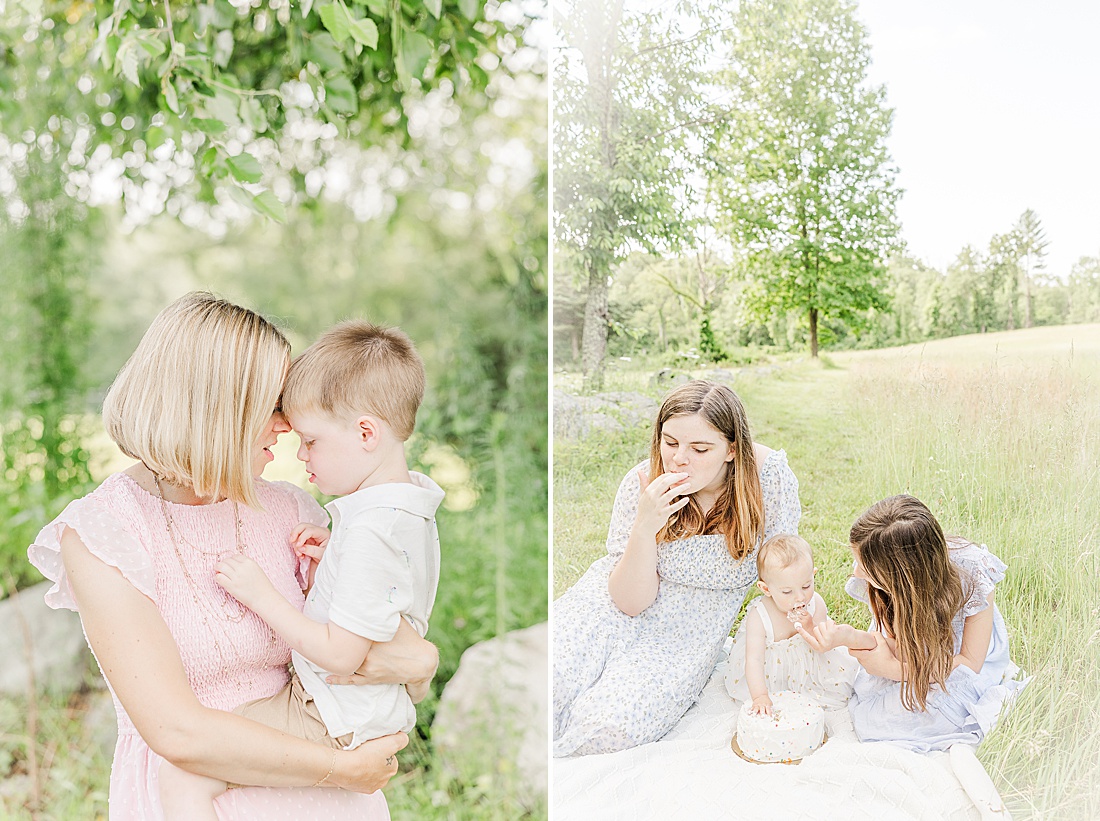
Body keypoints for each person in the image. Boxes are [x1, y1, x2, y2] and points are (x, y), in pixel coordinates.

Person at [28, 293, 438, 820]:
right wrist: (345, 770)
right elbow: (176, 731)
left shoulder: (291, 509)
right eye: (272, 407)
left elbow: (373, 636)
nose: (286, 426)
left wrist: (422, 661)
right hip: (202, 796)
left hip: (323, 800)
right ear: (216, 411)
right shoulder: (104, 534)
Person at [158, 320, 445, 819]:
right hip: (357, 711)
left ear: (365, 433)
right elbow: (386, 599)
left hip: (328, 713)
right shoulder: (406, 511)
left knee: (187, 768)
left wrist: (262, 595)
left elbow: (340, 654)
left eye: (311, 440)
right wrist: (329, 567)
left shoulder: (369, 534)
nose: (298, 449)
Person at [553, 380, 801, 757]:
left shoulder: (769, 482)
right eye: (670, 443)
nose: (679, 459)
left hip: (683, 636)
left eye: (699, 448)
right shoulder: (644, 483)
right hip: (613, 605)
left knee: (607, 728)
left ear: (732, 449)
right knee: (548, 680)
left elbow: (785, 573)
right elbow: (629, 601)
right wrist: (645, 525)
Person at [796, 494, 1029, 753]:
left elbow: (969, 664)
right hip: (918, 650)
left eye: (864, 567)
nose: (856, 573)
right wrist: (849, 638)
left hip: (959, 663)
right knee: (871, 702)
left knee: (925, 717)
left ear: (903, 576)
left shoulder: (973, 573)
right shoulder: (887, 582)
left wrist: (894, 669)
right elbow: (891, 642)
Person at [723, 533, 857, 712]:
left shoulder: (815, 604)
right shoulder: (759, 615)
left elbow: (822, 644)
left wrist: (809, 625)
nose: (800, 597)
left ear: (813, 575)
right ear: (766, 589)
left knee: (835, 690)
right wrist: (760, 696)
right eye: (787, 591)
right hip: (770, 671)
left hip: (809, 667)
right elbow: (754, 659)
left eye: (806, 586)